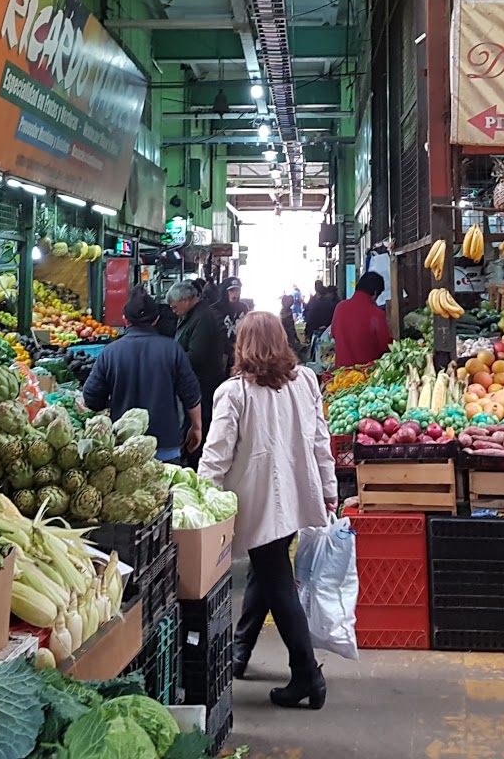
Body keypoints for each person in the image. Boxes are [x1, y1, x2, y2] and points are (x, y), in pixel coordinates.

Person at [199, 312, 337, 710]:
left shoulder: (235, 392)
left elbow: (216, 454)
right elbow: (319, 441)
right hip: (296, 496)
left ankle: (307, 673)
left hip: (258, 501)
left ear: (241, 345)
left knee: (277, 580)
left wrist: (202, 497)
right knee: (268, 569)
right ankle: (240, 652)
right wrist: (328, 489)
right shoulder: (306, 380)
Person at [82, 288, 202, 462]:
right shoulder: (172, 349)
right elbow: (191, 395)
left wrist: (112, 403)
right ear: (156, 320)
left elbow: (91, 399)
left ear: (125, 320)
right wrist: (197, 427)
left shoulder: (110, 353)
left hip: (124, 449)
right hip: (165, 445)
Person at [167, 281, 229, 443]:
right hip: (197, 381)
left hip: (202, 382)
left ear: (185, 300)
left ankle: (195, 457)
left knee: (199, 423)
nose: (174, 312)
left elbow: (197, 355)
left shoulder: (203, 318)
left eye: (174, 307)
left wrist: (173, 361)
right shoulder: (196, 314)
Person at [330, 271, 391, 368]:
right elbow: (386, 347)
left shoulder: (340, 307)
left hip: (341, 376)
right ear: (375, 293)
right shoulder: (376, 314)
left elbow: (333, 335)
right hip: (366, 376)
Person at [302, 282, 337, 347]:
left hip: (315, 332)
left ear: (318, 292)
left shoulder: (314, 303)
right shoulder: (332, 304)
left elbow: (309, 318)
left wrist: (307, 332)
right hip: (328, 332)